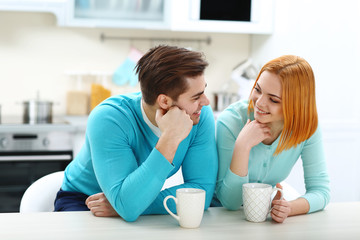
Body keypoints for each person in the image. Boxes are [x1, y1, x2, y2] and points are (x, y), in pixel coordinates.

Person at [54, 45, 218, 222]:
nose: (206, 102)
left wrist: (130, 204)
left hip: (131, 200)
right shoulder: (109, 118)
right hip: (85, 201)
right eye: (196, 96)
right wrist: (170, 137)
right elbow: (129, 207)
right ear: (164, 101)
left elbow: (202, 193)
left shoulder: (198, 115)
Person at [215, 55, 330, 223]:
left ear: (295, 105)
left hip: (263, 216)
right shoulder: (231, 121)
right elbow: (230, 203)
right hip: (219, 216)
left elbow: (321, 191)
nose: (259, 103)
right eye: (258, 90)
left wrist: (289, 208)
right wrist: (242, 146)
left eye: (273, 99)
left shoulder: (307, 127)